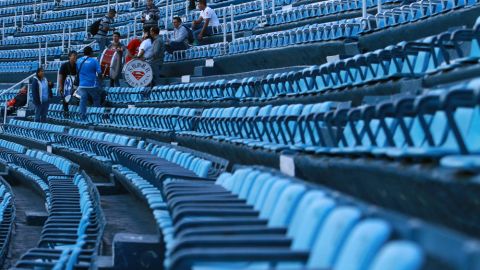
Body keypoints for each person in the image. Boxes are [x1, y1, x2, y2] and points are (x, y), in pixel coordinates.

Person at [76, 46, 102, 120]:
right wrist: (101, 79)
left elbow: (77, 71)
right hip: (91, 85)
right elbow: (99, 72)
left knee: (83, 98)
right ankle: (97, 114)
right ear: (91, 52)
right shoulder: (94, 61)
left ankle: (82, 116)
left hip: (81, 85)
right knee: (96, 98)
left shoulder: (78, 60)